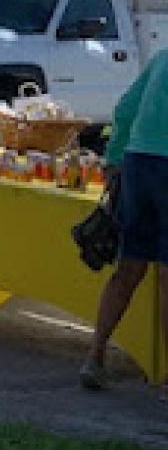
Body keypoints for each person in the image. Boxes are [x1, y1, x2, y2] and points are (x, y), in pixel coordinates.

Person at [82, 47, 168, 390]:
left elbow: (125, 109)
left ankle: (95, 354)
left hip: (138, 163)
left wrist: (115, 158)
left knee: (129, 266)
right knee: (166, 274)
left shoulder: (162, 57)